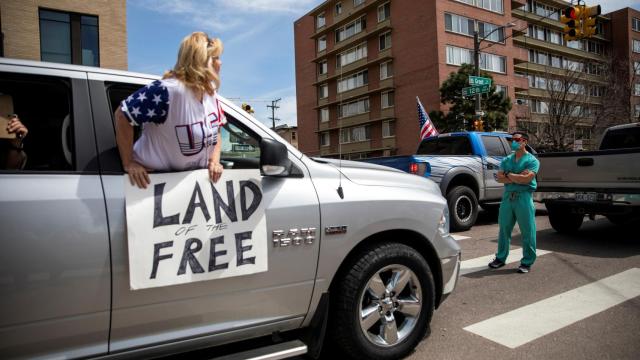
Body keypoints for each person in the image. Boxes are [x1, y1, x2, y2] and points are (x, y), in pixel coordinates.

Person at [115, 32, 226, 189]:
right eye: (215, 58)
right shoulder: (167, 90)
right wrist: (129, 162)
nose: (220, 63)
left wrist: (214, 161)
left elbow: (218, 128)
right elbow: (122, 115)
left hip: (189, 186)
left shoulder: (210, 93)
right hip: (149, 184)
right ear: (200, 60)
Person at [488, 132, 540, 273]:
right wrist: (517, 176)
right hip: (507, 198)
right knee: (504, 229)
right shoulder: (507, 159)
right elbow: (500, 178)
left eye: (517, 140)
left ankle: (527, 262)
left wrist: (508, 175)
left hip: (524, 197)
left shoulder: (532, 160)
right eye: (512, 140)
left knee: (527, 231)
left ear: (524, 142)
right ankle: (500, 258)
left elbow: (527, 179)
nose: (514, 142)